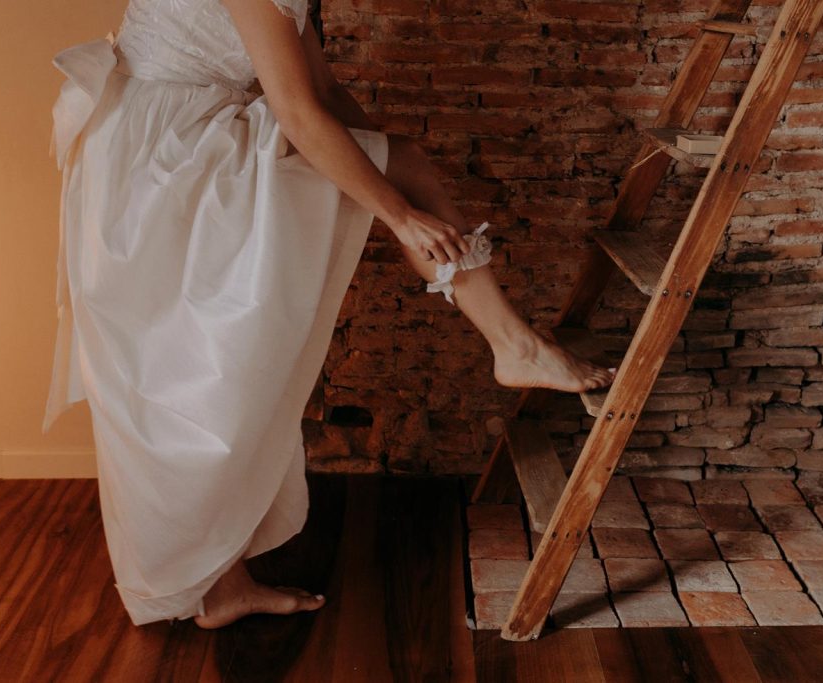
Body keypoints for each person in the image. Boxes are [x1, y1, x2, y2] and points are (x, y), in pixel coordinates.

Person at [42, 0, 617, 629]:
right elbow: (298, 110)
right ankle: (516, 346)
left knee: (197, 372)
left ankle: (514, 346)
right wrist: (399, 210)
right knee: (177, 375)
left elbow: (324, 90)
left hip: (175, 129)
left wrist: (386, 167)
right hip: (159, 152)